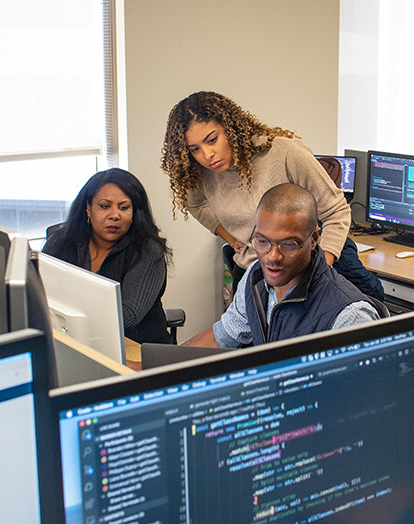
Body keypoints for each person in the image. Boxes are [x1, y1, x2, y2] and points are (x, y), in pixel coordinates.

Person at [160, 91, 351, 272]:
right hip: (252, 272)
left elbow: (336, 211)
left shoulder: (284, 153)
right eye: (194, 149)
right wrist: (231, 239)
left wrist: (320, 272)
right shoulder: (201, 171)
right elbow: (197, 205)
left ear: (230, 128)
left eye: (212, 140)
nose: (207, 155)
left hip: (302, 269)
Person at [184, 184, 379, 348]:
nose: (272, 256)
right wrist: (165, 369)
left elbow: (356, 391)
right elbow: (224, 334)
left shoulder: (350, 317)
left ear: (314, 240)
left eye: (289, 244)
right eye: (262, 241)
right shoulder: (256, 277)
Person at [43, 168, 173, 344]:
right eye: (104, 206)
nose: (114, 215)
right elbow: (39, 294)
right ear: (88, 208)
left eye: (124, 207)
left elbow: (127, 316)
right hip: (74, 341)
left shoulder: (148, 250)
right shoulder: (61, 241)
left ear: (134, 212)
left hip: (139, 350)